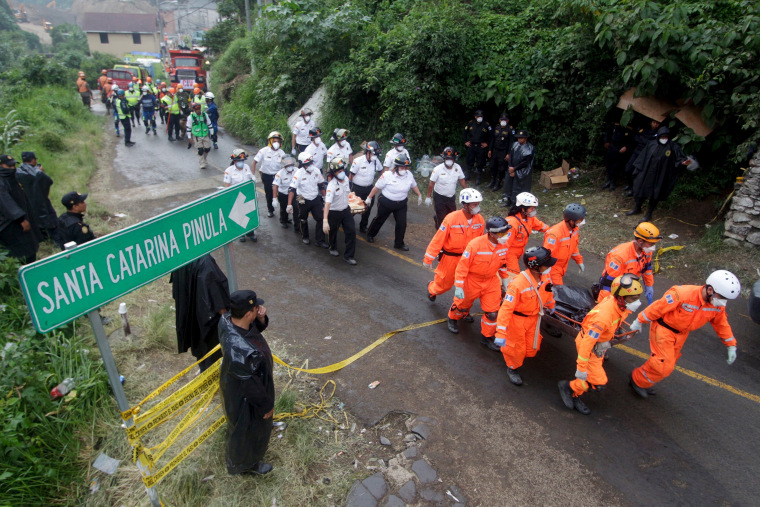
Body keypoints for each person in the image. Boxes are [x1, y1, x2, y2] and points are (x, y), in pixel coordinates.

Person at [629, 270, 740, 398]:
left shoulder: (716, 306)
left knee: (667, 363)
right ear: (710, 290)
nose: (723, 303)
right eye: (722, 298)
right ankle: (636, 380)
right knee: (663, 364)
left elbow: (722, 324)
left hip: (681, 335)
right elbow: (659, 307)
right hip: (664, 329)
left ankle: (642, 382)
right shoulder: (682, 294)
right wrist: (639, 321)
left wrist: (731, 345)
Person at [558, 274, 643, 415]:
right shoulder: (603, 317)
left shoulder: (618, 305)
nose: (636, 302)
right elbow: (587, 343)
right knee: (598, 382)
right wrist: (581, 368)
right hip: (590, 347)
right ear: (621, 297)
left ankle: (575, 394)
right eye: (633, 298)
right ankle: (569, 387)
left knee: (591, 377)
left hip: (598, 346)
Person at [218, 289, 275, 476]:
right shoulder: (240, 350)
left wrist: (260, 319)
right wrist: (266, 407)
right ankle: (245, 464)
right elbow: (252, 386)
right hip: (245, 397)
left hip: (239, 386)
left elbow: (253, 332)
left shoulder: (228, 320)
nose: (259, 308)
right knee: (247, 429)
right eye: (255, 307)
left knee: (246, 426)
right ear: (248, 313)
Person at [447, 217, 511, 349]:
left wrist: (505, 280)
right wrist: (459, 286)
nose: (505, 236)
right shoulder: (475, 245)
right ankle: (453, 319)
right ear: (491, 233)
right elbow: (462, 266)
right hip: (472, 280)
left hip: (491, 281)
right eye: (501, 233)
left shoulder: (504, 245)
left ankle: (486, 338)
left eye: (506, 233)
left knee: (493, 313)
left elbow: (503, 263)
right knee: (461, 306)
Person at [495, 246, 557, 385]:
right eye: (546, 265)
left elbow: (547, 294)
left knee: (531, 349)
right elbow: (506, 309)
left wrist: (551, 305)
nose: (549, 267)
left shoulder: (545, 278)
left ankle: (515, 357)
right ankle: (512, 367)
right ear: (537, 267)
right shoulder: (517, 285)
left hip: (534, 319)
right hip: (517, 321)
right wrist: (500, 332)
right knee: (516, 348)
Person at [170, 254, 230, 372]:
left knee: (202, 354)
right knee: (214, 360)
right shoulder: (204, 261)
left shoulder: (179, 256)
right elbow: (218, 299)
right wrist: (229, 324)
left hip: (191, 317)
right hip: (208, 323)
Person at [423, 188, 485, 301]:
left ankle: (460, 310)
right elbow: (438, 239)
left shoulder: (480, 220)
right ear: (465, 205)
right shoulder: (451, 218)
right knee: (444, 285)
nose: (477, 207)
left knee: (468, 286)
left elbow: (481, 241)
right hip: (450, 258)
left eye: (478, 204)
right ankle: (432, 289)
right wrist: (428, 258)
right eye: (474, 204)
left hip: (468, 259)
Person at [628, 126, 692, 221]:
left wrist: (683, 162)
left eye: (666, 137)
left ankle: (649, 213)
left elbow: (681, 158)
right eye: (662, 137)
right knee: (640, 190)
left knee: (655, 194)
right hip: (647, 173)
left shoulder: (673, 146)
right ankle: (637, 208)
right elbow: (642, 157)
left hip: (661, 175)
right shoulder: (651, 144)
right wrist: (638, 169)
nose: (664, 139)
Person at [365, 153, 423, 251]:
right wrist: (369, 197)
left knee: (402, 223)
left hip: (401, 204)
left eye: (406, 167)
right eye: (401, 167)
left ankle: (399, 244)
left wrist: (419, 195)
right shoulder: (387, 175)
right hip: (386, 202)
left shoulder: (409, 175)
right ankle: (370, 234)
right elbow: (376, 187)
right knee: (379, 219)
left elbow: (414, 185)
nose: (404, 169)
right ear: (396, 167)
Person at [596, 222, 661, 303]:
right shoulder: (619, 256)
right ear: (640, 241)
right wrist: (602, 306)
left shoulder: (646, 251)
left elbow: (647, 269)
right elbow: (608, 285)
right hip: (617, 289)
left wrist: (649, 285)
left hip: (629, 288)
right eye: (651, 244)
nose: (653, 248)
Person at [0, 155, 39, 263]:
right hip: (10, 224)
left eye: (13, 165)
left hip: (20, 219)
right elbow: (5, 202)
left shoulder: (11, 177)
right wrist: (20, 219)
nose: (12, 168)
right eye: (9, 166)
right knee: (22, 252)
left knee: (30, 247)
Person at [504, 192, 548, 283]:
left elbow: (541, 226)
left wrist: (554, 231)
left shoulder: (530, 218)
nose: (533, 211)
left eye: (534, 208)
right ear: (523, 209)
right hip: (509, 255)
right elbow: (505, 245)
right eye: (531, 208)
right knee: (513, 278)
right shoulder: (512, 223)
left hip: (519, 252)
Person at [287, 152, 328, 248]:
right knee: (303, 218)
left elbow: (321, 185)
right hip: (301, 197)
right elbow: (292, 189)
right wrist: (289, 204)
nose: (310, 165)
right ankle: (305, 236)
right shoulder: (298, 174)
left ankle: (320, 240)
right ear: (302, 165)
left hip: (314, 196)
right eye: (307, 164)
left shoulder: (316, 170)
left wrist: (325, 198)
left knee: (320, 218)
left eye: (311, 163)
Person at [323, 157, 357, 265]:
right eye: (338, 171)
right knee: (333, 232)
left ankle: (349, 256)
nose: (341, 172)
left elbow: (347, 192)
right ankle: (332, 247)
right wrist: (325, 220)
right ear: (334, 173)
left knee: (351, 231)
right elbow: (327, 203)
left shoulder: (346, 179)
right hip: (334, 212)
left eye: (342, 170)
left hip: (345, 210)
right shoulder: (331, 186)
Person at [16, 151, 57, 241]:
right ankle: (55, 238)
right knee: (50, 220)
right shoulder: (37, 172)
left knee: (35, 221)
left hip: (27, 204)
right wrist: (41, 172)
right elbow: (49, 181)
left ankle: (42, 238)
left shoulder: (17, 172)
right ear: (33, 160)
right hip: (41, 202)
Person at [543, 203, 586, 286]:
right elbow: (546, 255)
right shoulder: (554, 234)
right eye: (580, 220)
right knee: (558, 293)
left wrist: (579, 261)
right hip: (553, 269)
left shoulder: (575, 230)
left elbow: (574, 247)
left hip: (562, 267)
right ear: (571, 221)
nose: (582, 222)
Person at [425, 147, 467, 229]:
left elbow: (462, 180)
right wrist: (428, 197)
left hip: (451, 197)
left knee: (452, 216)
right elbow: (431, 183)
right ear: (444, 158)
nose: (449, 160)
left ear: (454, 159)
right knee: (442, 219)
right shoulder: (437, 169)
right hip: (439, 197)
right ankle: (441, 233)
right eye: (447, 158)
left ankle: (436, 218)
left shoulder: (457, 168)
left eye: (451, 158)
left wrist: (467, 190)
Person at [349, 141, 383, 233]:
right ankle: (347, 224)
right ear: (368, 152)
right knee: (353, 208)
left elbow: (381, 172)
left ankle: (363, 226)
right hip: (357, 189)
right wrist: (349, 190)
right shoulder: (358, 161)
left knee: (367, 208)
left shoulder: (376, 161)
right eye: (373, 154)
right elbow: (351, 176)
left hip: (369, 189)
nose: (375, 156)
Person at [223, 149, 257, 243]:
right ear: (234, 161)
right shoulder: (228, 171)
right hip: (236, 196)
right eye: (239, 161)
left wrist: (253, 178)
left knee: (250, 214)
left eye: (242, 160)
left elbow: (250, 177)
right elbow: (227, 185)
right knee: (240, 216)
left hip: (247, 194)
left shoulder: (246, 167)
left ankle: (250, 233)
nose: (241, 162)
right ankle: (242, 234)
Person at [624, 118, 662, 195]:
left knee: (639, 173)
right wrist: (644, 140)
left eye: (657, 123)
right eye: (654, 122)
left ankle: (634, 189)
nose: (655, 124)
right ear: (651, 122)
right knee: (628, 169)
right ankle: (630, 185)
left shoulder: (659, 133)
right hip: (637, 152)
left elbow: (652, 144)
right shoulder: (644, 130)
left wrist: (643, 139)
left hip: (646, 155)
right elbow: (636, 138)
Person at [253, 132, 286, 218]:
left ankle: (284, 214)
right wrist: (252, 175)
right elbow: (254, 162)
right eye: (274, 141)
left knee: (282, 194)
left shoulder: (282, 153)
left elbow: (286, 164)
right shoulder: (263, 151)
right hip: (266, 175)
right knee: (269, 193)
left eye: (278, 141)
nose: (276, 143)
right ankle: (270, 210)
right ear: (270, 141)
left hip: (277, 176)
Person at [502, 130, 534, 207]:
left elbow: (525, 162)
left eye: (522, 138)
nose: (520, 140)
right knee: (508, 185)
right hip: (512, 168)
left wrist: (515, 169)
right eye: (519, 138)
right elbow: (511, 156)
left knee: (518, 187)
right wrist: (510, 167)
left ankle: (515, 203)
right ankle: (509, 200)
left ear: (525, 138)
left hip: (522, 170)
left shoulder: (529, 148)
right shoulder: (515, 144)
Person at [462, 109, 492, 185]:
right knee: (469, 161)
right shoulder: (471, 123)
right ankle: (467, 175)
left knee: (480, 163)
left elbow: (491, 136)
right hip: (471, 146)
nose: (480, 117)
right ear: (475, 117)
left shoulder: (486, 125)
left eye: (481, 116)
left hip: (480, 147)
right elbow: (464, 133)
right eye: (478, 116)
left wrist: (487, 143)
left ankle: (478, 178)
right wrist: (465, 141)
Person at [602, 122, 634, 190]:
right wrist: (606, 141)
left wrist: (626, 147)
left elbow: (632, 139)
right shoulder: (616, 123)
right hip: (612, 146)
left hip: (621, 148)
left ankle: (613, 182)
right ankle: (609, 181)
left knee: (616, 166)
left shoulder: (630, 127)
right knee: (609, 164)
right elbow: (609, 132)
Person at [487, 112, 514, 191]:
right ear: (499, 120)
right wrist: (490, 150)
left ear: (508, 120)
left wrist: (508, 154)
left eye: (505, 119)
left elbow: (511, 143)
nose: (503, 121)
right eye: (502, 119)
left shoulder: (510, 129)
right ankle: (492, 181)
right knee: (492, 166)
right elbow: (493, 139)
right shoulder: (497, 128)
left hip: (503, 151)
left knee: (501, 168)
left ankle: (498, 183)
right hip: (495, 150)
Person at [272, 156, 300, 231]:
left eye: (290, 164)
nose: (289, 166)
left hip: (294, 193)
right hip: (283, 194)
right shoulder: (280, 173)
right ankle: (284, 220)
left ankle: (297, 226)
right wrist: (274, 198)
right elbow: (275, 186)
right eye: (287, 164)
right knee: (284, 209)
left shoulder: (297, 171)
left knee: (296, 209)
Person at [187, 103, 214, 169]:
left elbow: (209, 124)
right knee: (200, 150)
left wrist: (213, 134)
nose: (198, 110)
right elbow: (188, 128)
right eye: (197, 109)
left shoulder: (205, 115)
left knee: (207, 148)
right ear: (194, 109)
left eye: (199, 108)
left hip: (205, 134)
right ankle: (201, 163)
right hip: (197, 136)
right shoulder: (191, 117)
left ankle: (204, 158)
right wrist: (189, 138)